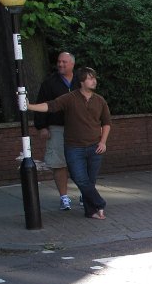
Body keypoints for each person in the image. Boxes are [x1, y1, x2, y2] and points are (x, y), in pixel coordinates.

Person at [28, 68, 112, 220]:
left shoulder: (100, 100)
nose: (94, 81)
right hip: (74, 148)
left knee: (90, 181)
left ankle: (91, 211)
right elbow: (51, 106)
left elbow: (106, 123)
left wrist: (103, 142)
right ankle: (99, 203)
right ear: (81, 82)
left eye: (94, 78)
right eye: (90, 78)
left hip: (95, 147)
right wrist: (30, 106)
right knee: (79, 178)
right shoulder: (70, 98)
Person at [33, 51, 78, 210]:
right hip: (57, 128)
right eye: (59, 62)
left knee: (82, 161)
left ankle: (85, 193)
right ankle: (64, 197)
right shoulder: (49, 83)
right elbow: (41, 104)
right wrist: (42, 126)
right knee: (59, 162)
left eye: (64, 62)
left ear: (72, 64)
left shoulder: (81, 81)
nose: (60, 64)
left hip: (79, 128)